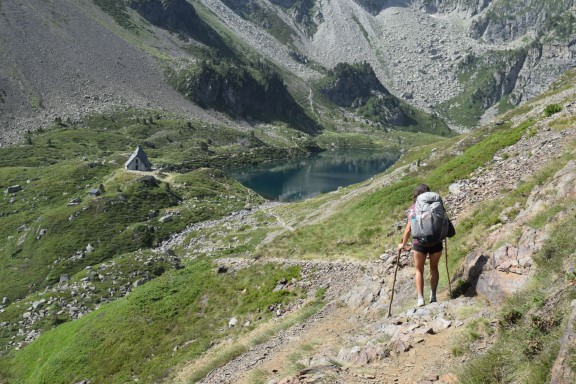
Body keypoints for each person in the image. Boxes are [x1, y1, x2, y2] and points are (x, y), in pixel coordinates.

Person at [397, 183, 443, 307]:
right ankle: (433, 296)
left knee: (419, 270)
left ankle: (420, 299)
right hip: (436, 242)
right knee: (434, 267)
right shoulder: (436, 206)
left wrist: (402, 244)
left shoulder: (413, 209)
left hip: (419, 243)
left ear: (416, 195)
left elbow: (408, 229)